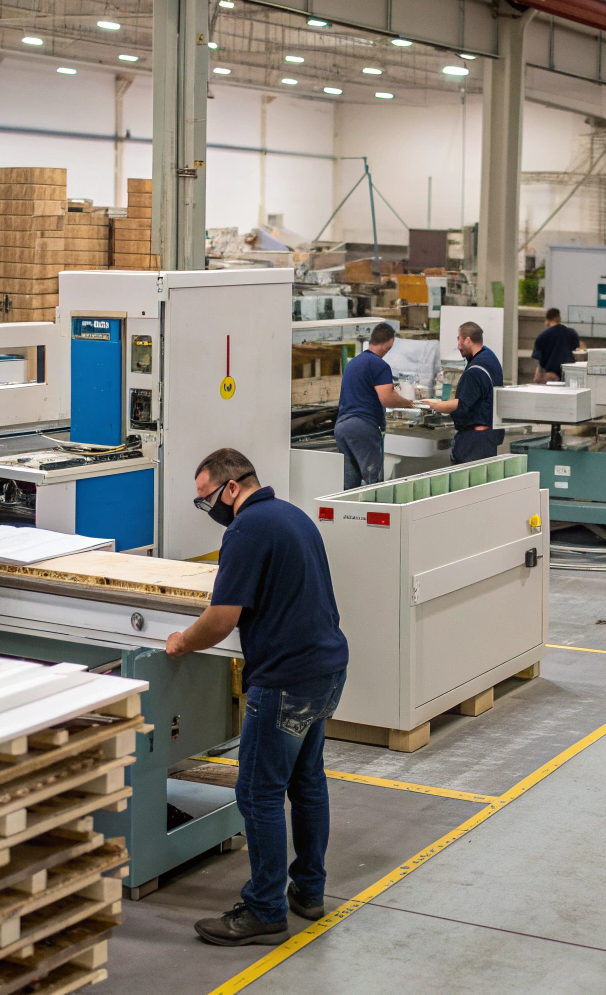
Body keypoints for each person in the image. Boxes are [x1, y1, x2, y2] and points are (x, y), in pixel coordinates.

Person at [165, 448, 349, 946]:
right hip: (326, 670)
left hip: (286, 681)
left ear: (231, 488)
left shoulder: (245, 530)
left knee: (257, 793)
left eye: (206, 499)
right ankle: (308, 890)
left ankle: (265, 909)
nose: (207, 509)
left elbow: (221, 619)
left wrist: (182, 641)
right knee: (306, 783)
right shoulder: (292, 516)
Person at [333, 322, 414, 489]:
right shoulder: (379, 365)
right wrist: (407, 403)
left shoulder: (354, 363)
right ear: (390, 342)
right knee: (373, 480)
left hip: (342, 427)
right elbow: (386, 398)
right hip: (362, 426)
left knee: (349, 484)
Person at [426, 321, 505, 464]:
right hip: (489, 435)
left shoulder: (475, 371)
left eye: (459, 339)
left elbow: (461, 404)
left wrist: (433, 405)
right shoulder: (490, 357)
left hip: (475, 441)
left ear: (468, 340)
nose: (458, 346)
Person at [532, 308, 581, 383]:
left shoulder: (542, 336)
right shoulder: (571, 333)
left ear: (547, 320)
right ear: (559, 318)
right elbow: (576, 352)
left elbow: (540, 359)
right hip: (569, 374)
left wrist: (538, 375)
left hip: (550, 376)